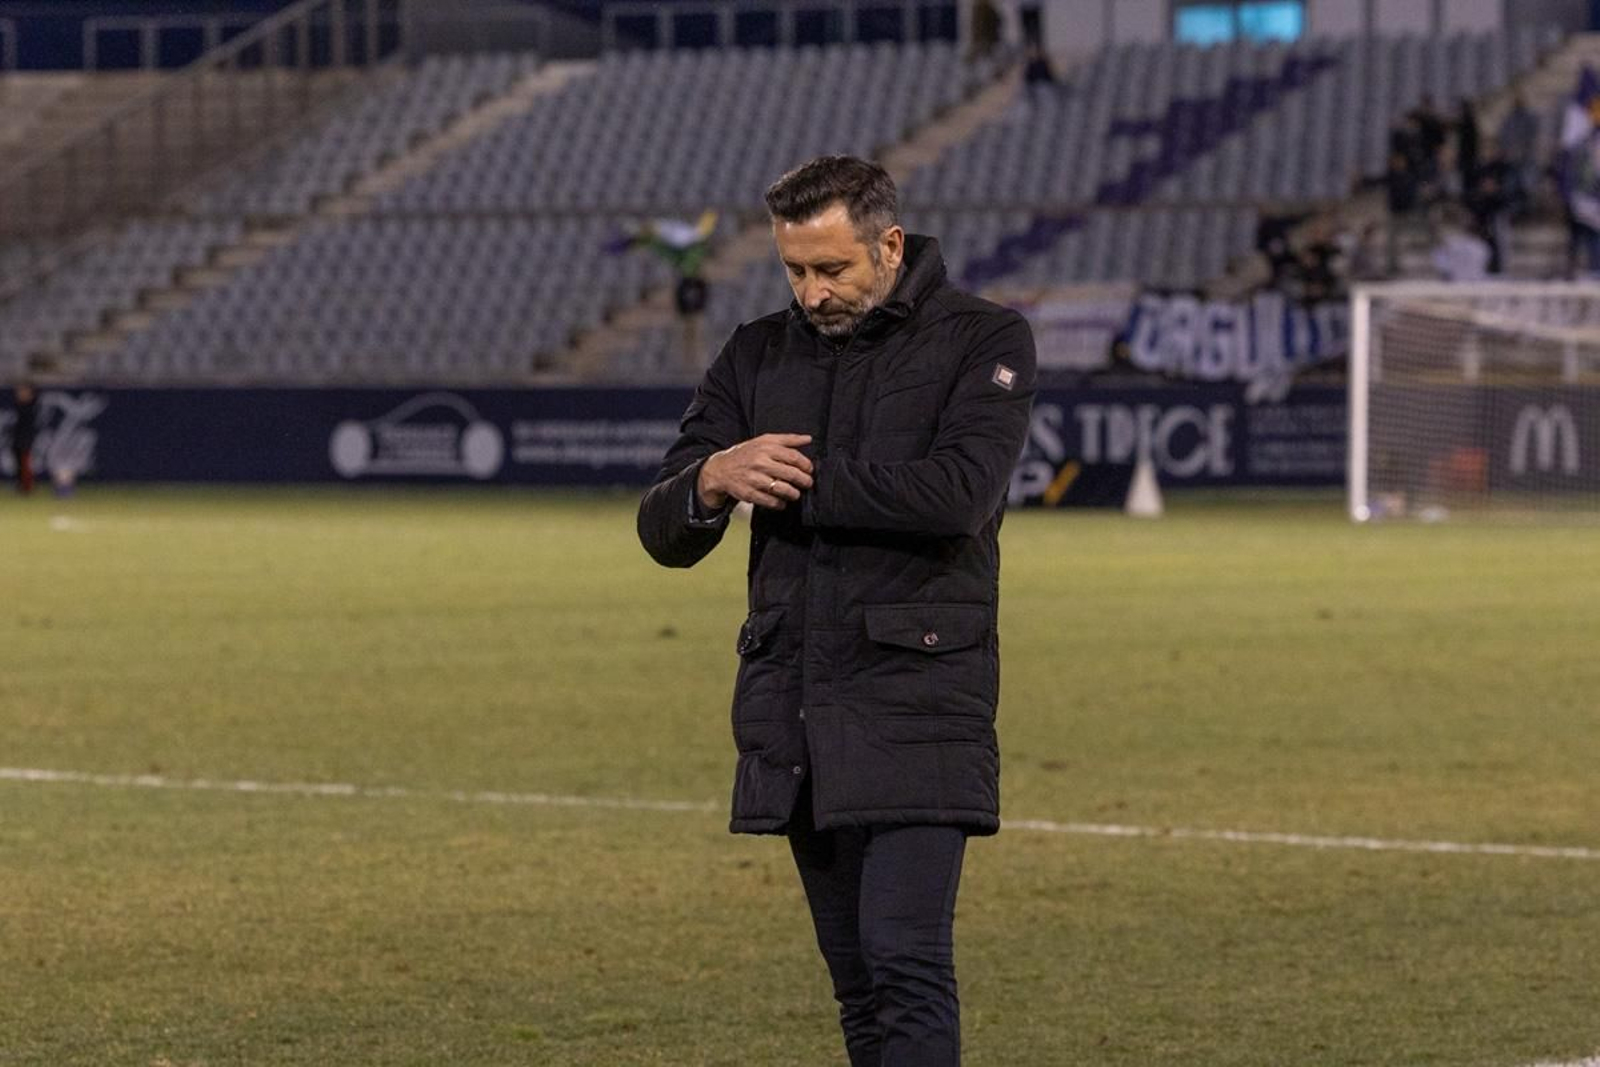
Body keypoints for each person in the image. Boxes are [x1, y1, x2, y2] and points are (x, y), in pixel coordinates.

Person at [636, 155, 1035, 1067]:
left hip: (918, 698)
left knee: (906, 963)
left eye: (831, 270)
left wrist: (789, 485)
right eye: (794, 271)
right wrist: (707, 480)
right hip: (797, 709)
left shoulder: (985, 340)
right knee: (858, 984)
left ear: (889, 246)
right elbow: (664, 525)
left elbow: (957, 495)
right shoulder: (755, 353)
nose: (811, 293)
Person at [10, 381, 38, 495]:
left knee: (25, 465)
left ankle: (27, 487)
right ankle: (20, 485)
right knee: (19, 465)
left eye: (23, 392)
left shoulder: (30, 406)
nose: (20, 394)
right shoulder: (19, 406)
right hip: (17, 440)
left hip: (25, 441)